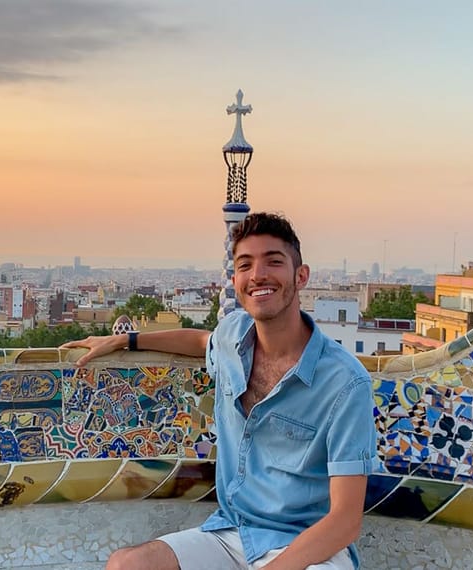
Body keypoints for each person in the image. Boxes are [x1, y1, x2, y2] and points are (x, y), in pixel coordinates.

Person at [61, 212, 377, 570]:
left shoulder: (344, 382)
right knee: (127, 565)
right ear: (235, 279)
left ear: (300, 276)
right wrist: (127, 339)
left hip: (305, 548)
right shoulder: (233, 337)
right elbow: (199, 340)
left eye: (274, 261)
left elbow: (345, 522)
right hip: (233, 534)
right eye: (246, 265)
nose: (258, 275)